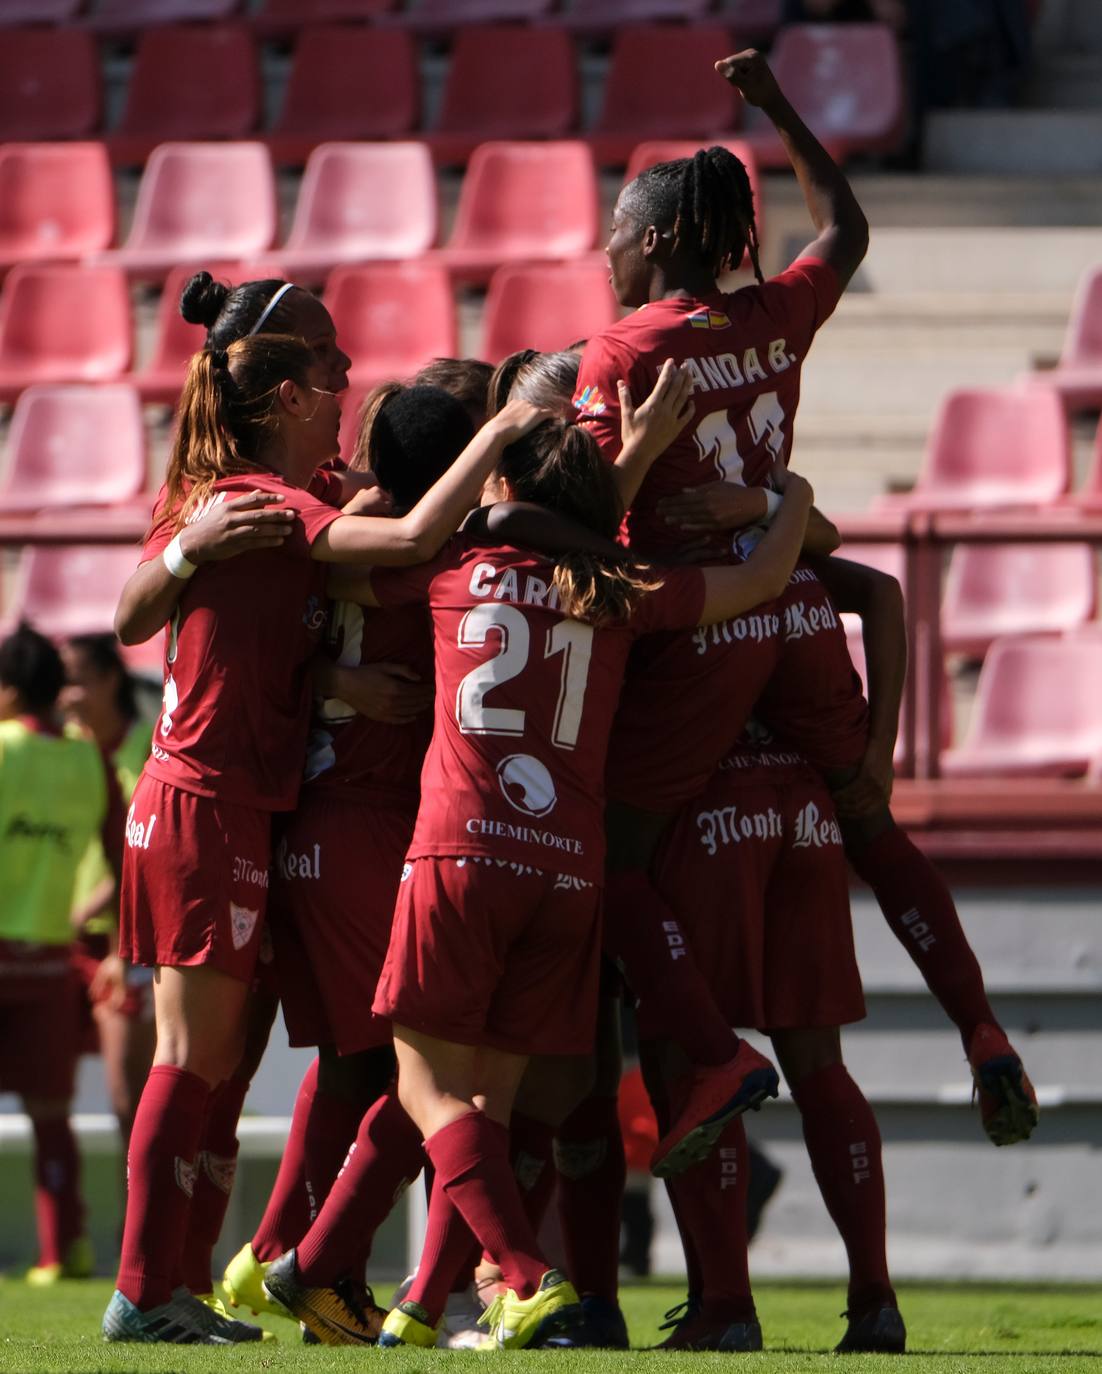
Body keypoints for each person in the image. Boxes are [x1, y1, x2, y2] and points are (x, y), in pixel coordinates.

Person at [575, 46, 1035, 1156]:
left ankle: (707, 1052)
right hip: (796, 615)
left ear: (655, 241)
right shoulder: (775, 320)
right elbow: (847, 233)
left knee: (614, 859)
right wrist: (777, 105)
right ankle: (979, 1028)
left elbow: (590, 504)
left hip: (701, 622)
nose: (605, 251)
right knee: (869, 823)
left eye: (618, 234)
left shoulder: (623, 350)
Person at [291, 383, 815, 1350]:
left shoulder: (456, 565)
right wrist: (794, 499)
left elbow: (339, 572)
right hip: (572, 873)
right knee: (492, 1095)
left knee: (418, 1081)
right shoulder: (621, 590)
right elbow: (755, 585)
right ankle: (427, 1302)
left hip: (462, 847)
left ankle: (525, 1275)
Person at [101, 330, 554, 1345]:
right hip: (209, 800)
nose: (349, 385)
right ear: (294, 397)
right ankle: (165, 1284)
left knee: (233, 1056)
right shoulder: (261, 504)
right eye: (331, 375)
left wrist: (323, 678)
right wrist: (500, 440)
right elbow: (137, 615)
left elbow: (222, 619)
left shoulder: (285, 496)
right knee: (215, 1052)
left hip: (259, 808)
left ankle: (218, 1274)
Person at [222, 383, 475, 1333]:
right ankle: (327, 1270)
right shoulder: (433, 560)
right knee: (427, 1070)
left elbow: (290, 628)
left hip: (312, 826)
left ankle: (272, 1257)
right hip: (370, 827)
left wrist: (333, 675)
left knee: (351, 1067)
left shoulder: (328, 540)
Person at [649, 721, 904, 1354]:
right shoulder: (805, 614)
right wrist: (879, 746)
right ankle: (875, 1301)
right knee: (820, 1063)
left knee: (689, 1054)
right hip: (808, 799)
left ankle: (727, 1305)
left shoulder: (690, 613)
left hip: (708, 795)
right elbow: (881, 614)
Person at [0, 624, 124, 1285]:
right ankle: (64, 1246)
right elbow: (120, 856)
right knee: (51, 1114)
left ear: (11, 690)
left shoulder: (1, 749)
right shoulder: (87, 759)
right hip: (50, 956)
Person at [60, 635, 155, 1214]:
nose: (66, 694)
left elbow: (140, 850)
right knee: (49, 1092)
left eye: (77, 679)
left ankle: (142, 1238)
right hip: (61, 937)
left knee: (128, 1096)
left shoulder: (148, 747)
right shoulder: (65, 749)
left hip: (126, 939)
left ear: (109, 681)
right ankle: (67, 1236)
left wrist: (102, 909)